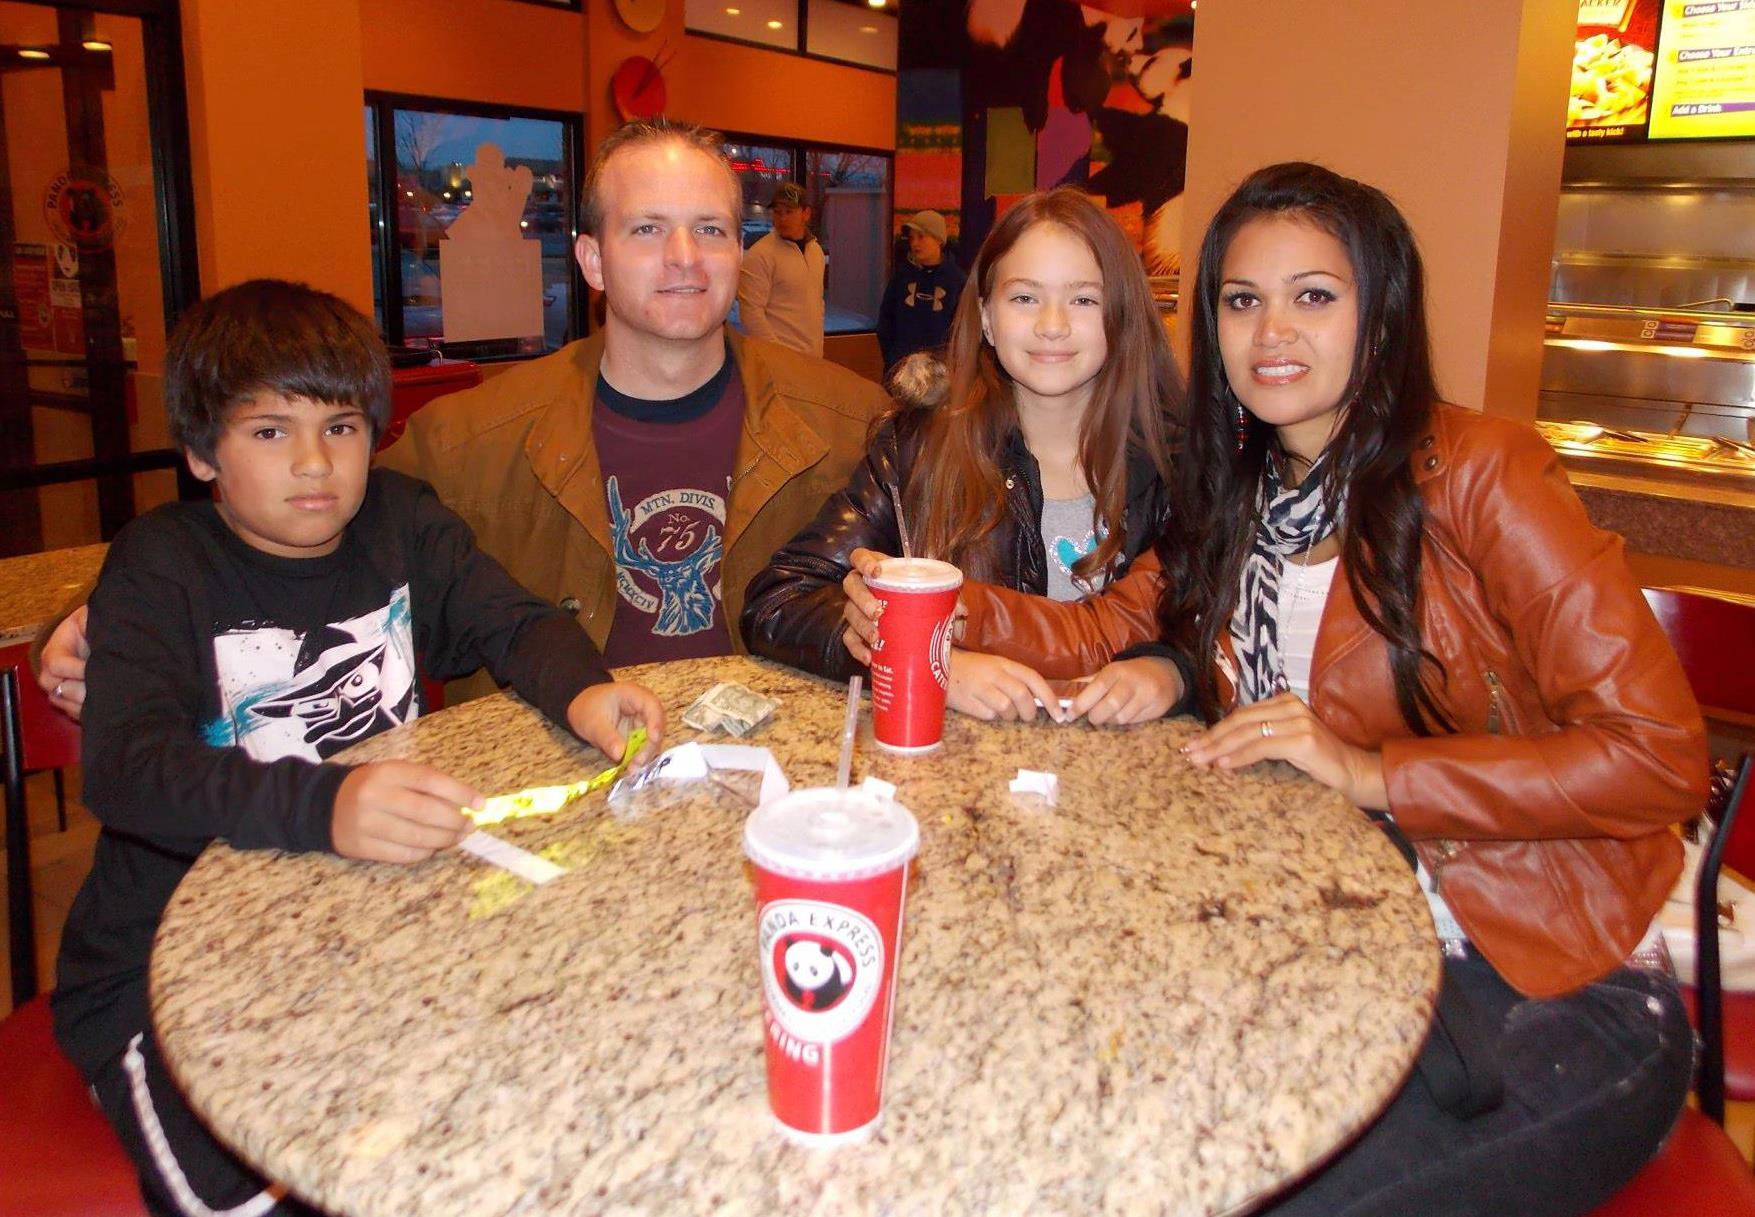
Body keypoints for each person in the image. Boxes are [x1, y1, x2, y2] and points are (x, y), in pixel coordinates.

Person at [857, 161, 1709, 1215]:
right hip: (1342, 939)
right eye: (1241, 300)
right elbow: (1098, 629)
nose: (1272, 332)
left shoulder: (1482, 472)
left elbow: (1658, 757)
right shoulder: (1240, 493)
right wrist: (926, 600)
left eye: (1313, 295)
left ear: (1379, 312)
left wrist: (1367, 771)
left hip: (1543, 972)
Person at [52, 279, 665, 1217]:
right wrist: (326, 802)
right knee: (252, 1192)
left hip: (358, 935)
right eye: (269, 431)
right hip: (163, 975)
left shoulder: (400, 522)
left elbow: (512, 619)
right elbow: (127, 769)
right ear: (200, 451)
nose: (314, 462)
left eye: (340, 427)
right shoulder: (160, 563)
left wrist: (584, 691)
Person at [36, 118, 888, 714]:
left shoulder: (848, 421)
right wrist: (100, 610)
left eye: (710, 228)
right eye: (646, 230)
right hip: (553, 786)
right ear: (590, 258)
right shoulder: (468, 440)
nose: (683, 258)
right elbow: (281, 520)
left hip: (788, 779)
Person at [743, 186, 1188, 725]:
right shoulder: (918, 448)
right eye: (1024, 298)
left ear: (1123, 315)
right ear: (986, 316)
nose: (1052, 324)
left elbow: (1219, 630)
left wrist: (1173, 670)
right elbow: (780, 600)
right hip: (959, 760)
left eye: (1084, 300)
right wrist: (931, 663)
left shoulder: (1175, 461)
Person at [736, 180, 827, 355]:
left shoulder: (816, 252)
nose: (782, 218)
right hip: (779, 359)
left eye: (789, 212)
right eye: (778, 212)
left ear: (806, 213)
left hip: (812, 358)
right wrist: (778, 356)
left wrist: (818, 349)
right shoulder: (760, 255)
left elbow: (817, 304)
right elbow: (751, 314)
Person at [876, 209, 966, 373]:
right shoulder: (902, 276)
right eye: (911, 238)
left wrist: (947, 365)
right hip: (901, 370)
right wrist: (893, 359)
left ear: (938, 240)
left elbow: (962, 332)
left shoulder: (956, 280)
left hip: (940, 374)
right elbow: (886, 321)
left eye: (921, 237)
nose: (915, 244)